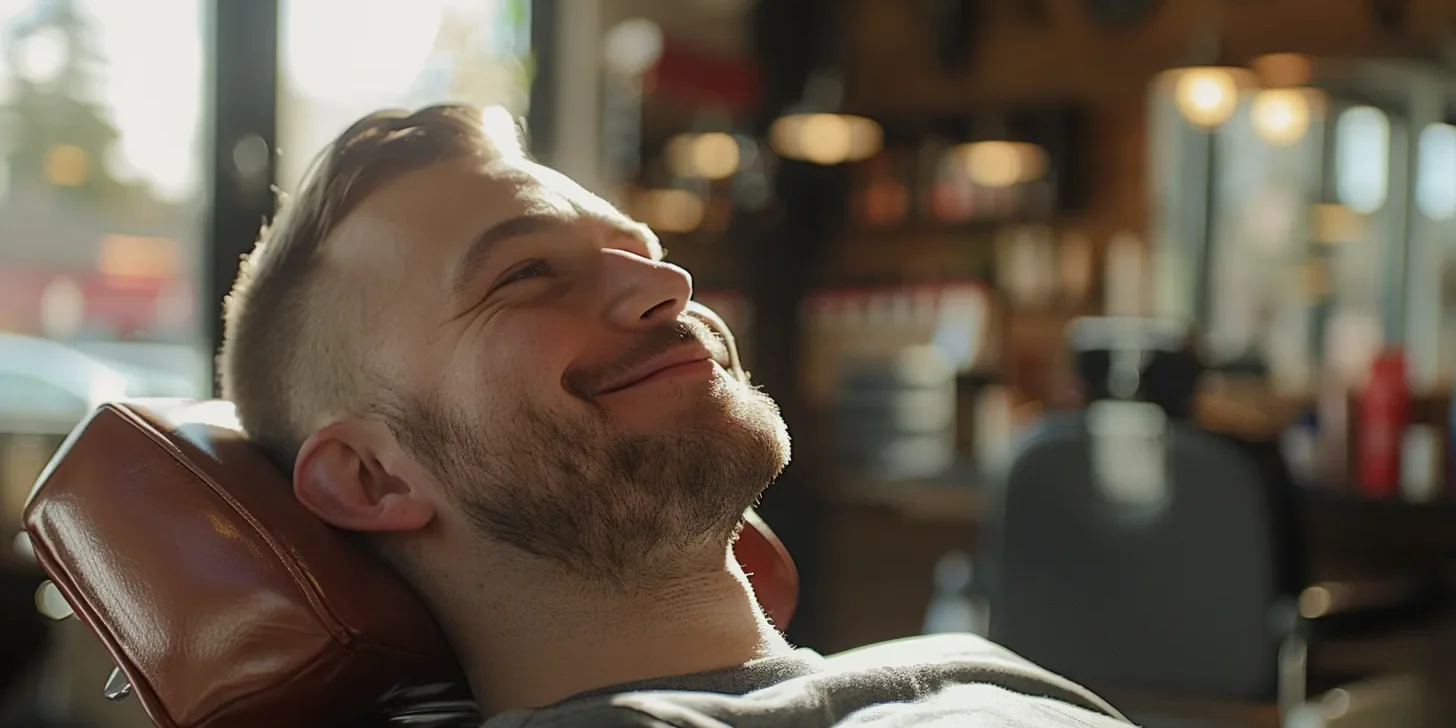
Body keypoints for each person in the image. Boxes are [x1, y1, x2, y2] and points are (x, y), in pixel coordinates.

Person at [218, 104, 1134, 727]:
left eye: (643, 251)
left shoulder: (967, 672)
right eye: (527, 274)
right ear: (371, 477)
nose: (671, 284)